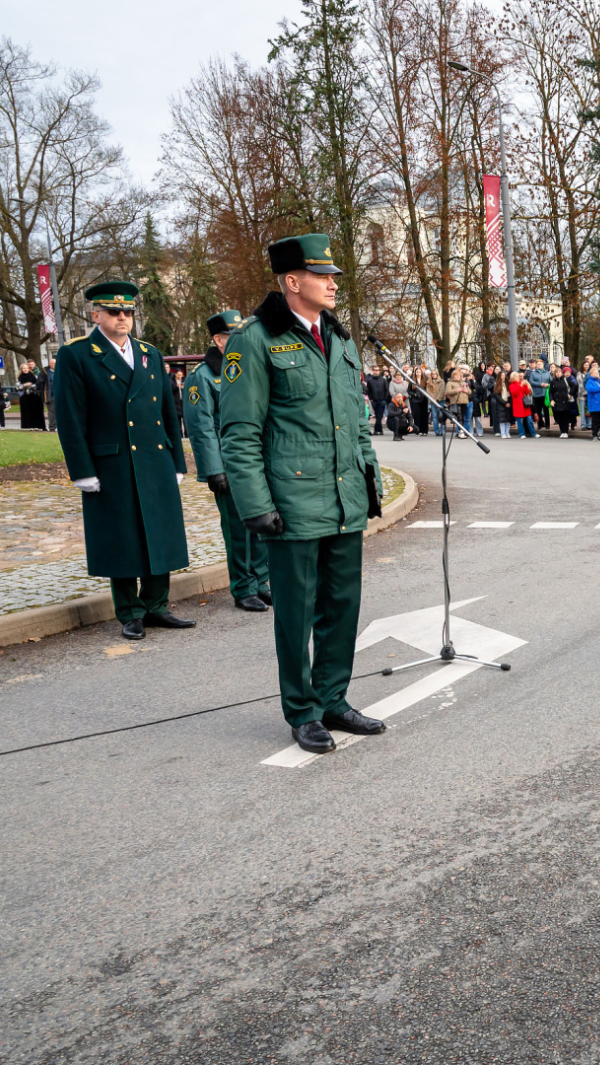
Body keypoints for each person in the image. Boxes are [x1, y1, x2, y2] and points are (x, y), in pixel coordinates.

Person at [220, 233, 386, 756]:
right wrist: (255, 505)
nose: (335, 282)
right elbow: (240, 432)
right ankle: (303, 710)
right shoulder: (255, 340)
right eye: (323, 275)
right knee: (296, 611)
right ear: (293, 282)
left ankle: (333, 698)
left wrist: (370, 480)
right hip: (291, 502)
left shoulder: (339, 339)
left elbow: (357, 423)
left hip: (343, 499)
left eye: (334, 275)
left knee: (342, 604)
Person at [53, 280, 194, 640]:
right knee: (123, 536)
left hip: (154, 458)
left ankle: (156, 604)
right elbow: (70, 418)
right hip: (111, 463)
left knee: (159, 532)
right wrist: (82, 470)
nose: (123, 318)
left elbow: (167, 411)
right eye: (114, 312)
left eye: (128, 312)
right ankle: (130, 611)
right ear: (95, 313)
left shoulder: (149, 352)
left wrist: (177, 460)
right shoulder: (79, 354)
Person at [184, 309, 271, 612]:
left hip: (258, 461)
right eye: (231, 337)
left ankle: (262, 583)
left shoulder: (251, 367)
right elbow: (201, 426)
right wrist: (213, 469)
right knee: (238, 530)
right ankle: (243, 588)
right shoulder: (203, 376)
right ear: (218, 340)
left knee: (263, 524)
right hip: (229, 465)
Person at [551, 363, 580, 437]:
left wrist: (570, 394)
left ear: (561, 373)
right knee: (559, 418)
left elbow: (575, 386)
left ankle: (566, 432)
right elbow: (550, 392)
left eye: (559, 372)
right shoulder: (553, 382)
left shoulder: (566, 380)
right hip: (557, 401)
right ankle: (562, 432)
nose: (558, 374)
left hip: (565, 401)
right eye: (556, 372)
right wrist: (551, 400)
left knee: (565, 417)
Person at [584, 364, 600, 439]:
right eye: (594, 373)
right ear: (591, 374)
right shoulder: (590, 382)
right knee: (595, 421)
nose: (596, 374)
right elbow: (591, 389)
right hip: (594, 404)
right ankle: (595, 434)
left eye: (597, 373)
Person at [509, 370, 537, 438]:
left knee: (529, 420)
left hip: (525, 404)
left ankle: (533, 433)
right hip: (518, 405)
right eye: (516, 376)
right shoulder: (511, 385)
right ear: (512, 377)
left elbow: (527, 392)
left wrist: (526, 385)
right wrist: (521, 385)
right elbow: (514, 393)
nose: (517, 377)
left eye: (517, 376)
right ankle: (521, 434)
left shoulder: (520, 383)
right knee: (519, 421)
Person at [17, 361, 45, 429]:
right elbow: (18, 387)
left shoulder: (34, 376)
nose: (25, 369)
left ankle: (37, 426)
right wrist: (25, 385)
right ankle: (29, 426)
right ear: (21, 369)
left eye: (26, 368)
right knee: (27, 412)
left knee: (36, 411)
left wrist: (30, 385)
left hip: (34, 396)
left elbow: (37, 385)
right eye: (23, 368)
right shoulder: (19, 378)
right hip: (25, 396)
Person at [528, 358, 552, 431]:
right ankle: (539, 424)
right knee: (538, 411)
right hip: (536, 394)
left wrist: (548, 385)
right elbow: (531, 382)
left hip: (545, 394)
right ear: (536, 365)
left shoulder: (547, 373)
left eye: (540, 364)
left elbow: (551, 381)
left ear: (543, 365)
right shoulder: (533, 373)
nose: (539, 365)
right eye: (538, 364)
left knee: (546, 410)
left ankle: (547, 425)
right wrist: (540, 384)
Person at [364, 367, 389, 434]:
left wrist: (385, 399)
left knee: (380, 415)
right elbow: (368, 390)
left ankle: (377, 429)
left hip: (382, 400)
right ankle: (379, 430)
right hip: (374, 400)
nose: (376, 371)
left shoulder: (383, 380)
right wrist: (371, 399)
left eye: (378, 370)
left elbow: (386, 390)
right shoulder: (370, 380)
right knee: (377, 415)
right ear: (373, 371)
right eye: (375, 370)